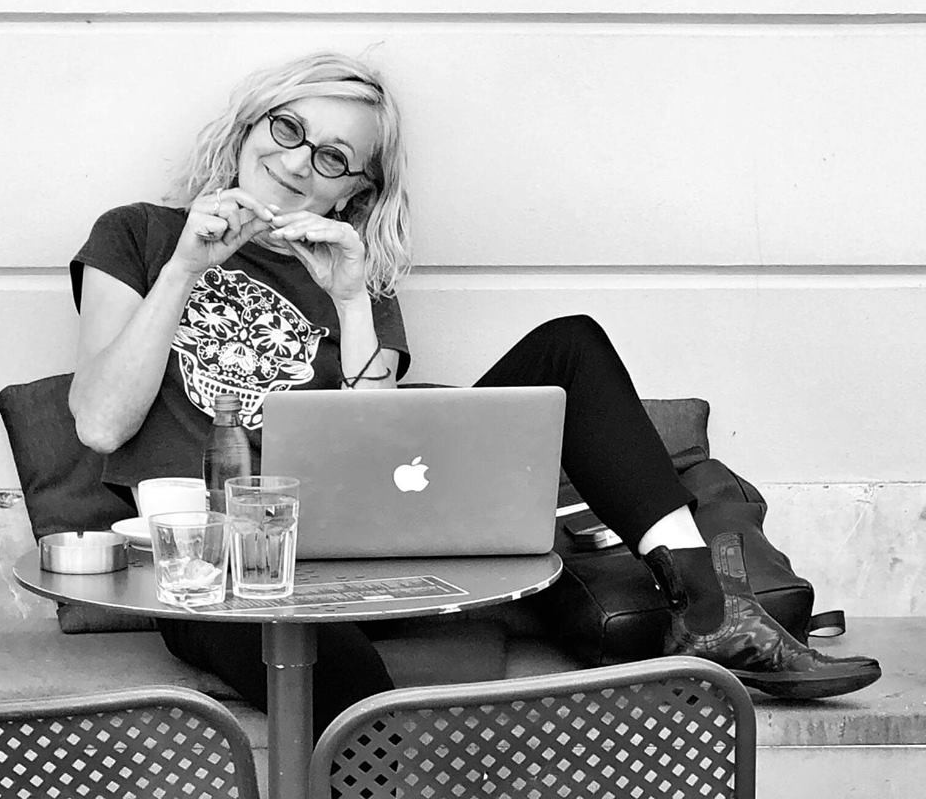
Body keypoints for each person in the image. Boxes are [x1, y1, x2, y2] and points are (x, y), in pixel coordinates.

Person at [69, 52, 879, 734]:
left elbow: (381, 461)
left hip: (341, 553)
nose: (297, 161)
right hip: (213, 577)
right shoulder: (140, 234)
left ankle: (710, 613)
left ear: (351, 192)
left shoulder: (351, 271)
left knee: (572, 344)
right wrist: (186, 265)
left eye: (333, 157)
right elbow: (102, 423)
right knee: (363, 716)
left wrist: (351, 298)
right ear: (251, 126)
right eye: (288, 129)